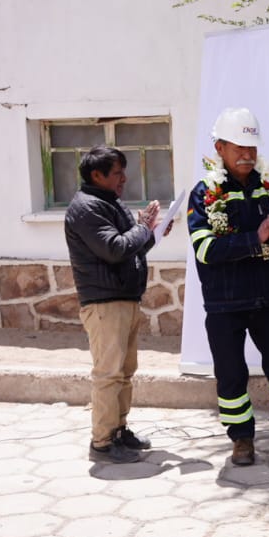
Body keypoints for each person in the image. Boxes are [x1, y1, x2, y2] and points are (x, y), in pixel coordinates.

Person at [187, 107, 269, 466]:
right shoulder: (204, 193)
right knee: (231, 375)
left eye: (252, 147)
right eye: (239, 147)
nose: (247, 154)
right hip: (224, 304)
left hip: (268, 299)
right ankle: (241, 439)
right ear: (220, 148)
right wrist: (255, 239)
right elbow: (206, 249)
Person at [65, 145, 161, 464]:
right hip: (105, 304)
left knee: (124, 372)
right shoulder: (86, 208)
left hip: (124, 298)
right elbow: (115, 248)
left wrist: (151, 233)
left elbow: (129, 247)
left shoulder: (108, 203)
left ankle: (119, 430)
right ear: (97, 175)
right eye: (117, 173)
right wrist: (143, 228)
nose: (124, 178)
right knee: (108, 374)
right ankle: (103, 443)